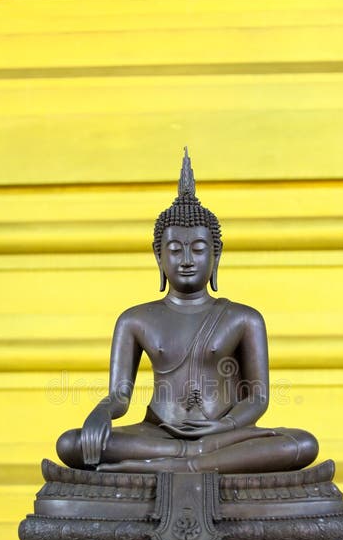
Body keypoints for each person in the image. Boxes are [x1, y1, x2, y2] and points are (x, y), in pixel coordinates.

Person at [56, 149, 318, 474]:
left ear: (216, 256)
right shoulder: (134, 319)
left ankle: (179, 463)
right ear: (159, 258)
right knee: (71, 443)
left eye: (198, 249)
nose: (187, 260)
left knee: (302, 443)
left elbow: (258, 398)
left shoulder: (244, 318)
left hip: (223, 434)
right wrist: (102, 412)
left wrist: (224, 427)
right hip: (157, 433)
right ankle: (188, 460)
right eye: (175, 250)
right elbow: (120, 395)